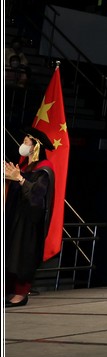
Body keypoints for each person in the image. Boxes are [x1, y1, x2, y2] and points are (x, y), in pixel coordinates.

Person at [4, 128, 56, 307]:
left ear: (36, 146)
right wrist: (8, 179)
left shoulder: (44, 168)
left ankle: (21, 294)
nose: (23, 144)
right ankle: (10, 291)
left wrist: (19, 179)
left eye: (26, 141)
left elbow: (37, 196)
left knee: (22, 256)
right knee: (10, 255)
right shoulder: (26, 167)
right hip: (16, 218)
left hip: (30, 223)